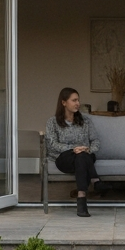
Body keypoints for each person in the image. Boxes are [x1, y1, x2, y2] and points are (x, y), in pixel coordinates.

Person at [46, 87, 101, 217]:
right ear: (64, 102)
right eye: (74, 100)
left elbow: (96, 141)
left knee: (82, 157)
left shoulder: (86, 121)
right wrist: (73, 149)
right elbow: (52, 144)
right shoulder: (52, 122)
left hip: (85, 156)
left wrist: (87, 149)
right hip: (64, 158)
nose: (78, 103)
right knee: (80, 156)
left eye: (78, 100)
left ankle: (81, 198)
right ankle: (95, 180)